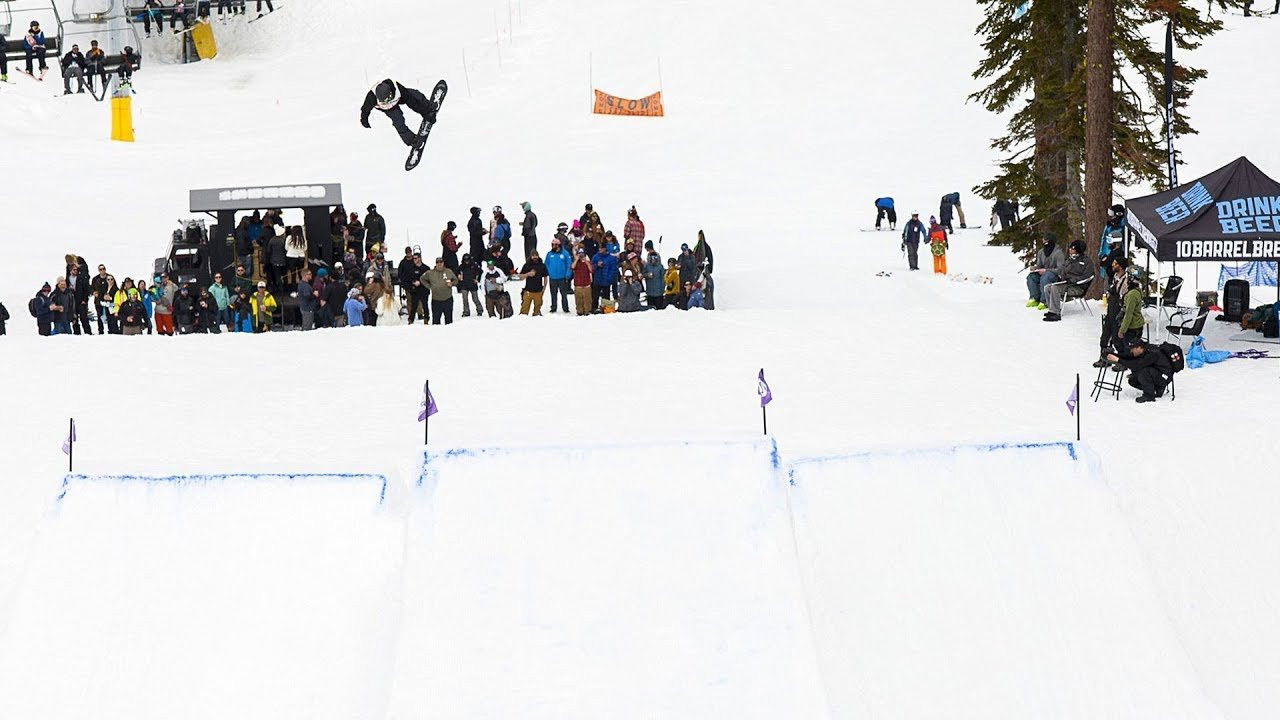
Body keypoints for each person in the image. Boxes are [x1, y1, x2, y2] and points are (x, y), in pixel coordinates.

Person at [360, 78, 439, 147]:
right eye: (383, 101)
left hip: (400, 98)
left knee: (415, 95)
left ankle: (428, 107)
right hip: (388, 109)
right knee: (398, 120)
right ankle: (411, 140)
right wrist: (364, 121)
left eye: (387, 100)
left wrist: (426, 113)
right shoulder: (371, 98)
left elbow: (412, 103)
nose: (386, 102)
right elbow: (365, 110)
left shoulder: (398, 88)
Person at [1042, 240, 1095, 322]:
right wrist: (1061, 276)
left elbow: (1087, 276)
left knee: (1054, 288)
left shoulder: (1086, 262)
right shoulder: (1069, 260)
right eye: (1070, 248)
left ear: (1078, 249)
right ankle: (1052, 309)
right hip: (1067, 284)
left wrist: (1074, 280)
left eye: (1072, 248)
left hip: (1078, 286)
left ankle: (1055, 313)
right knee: (1047, 287)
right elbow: (1062, 271)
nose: (1070, 250)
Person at [1106, 342, 1174, 403]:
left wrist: (1118, 360)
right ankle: (1157, 389)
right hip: (1156, 373)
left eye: (1133, 349)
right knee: (1133, 380)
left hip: (1165, 376)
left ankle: (1149, 395)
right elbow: (1128, 357)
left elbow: (1137, 365)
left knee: (1143, 372)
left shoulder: (1152, 353)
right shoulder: (1141, 351)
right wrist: (1114, 355)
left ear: (1139, 347)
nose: (1131, 351)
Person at [1025, 232, 1064, 309]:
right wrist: (1035, 268)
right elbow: (1039, 265)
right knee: (1031, 276)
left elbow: (1060, 269)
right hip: (1043, 273)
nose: (1044, 242)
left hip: (1055, 275)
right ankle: (1034, 298)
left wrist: (1046, 270)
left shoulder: (1058, 253)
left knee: (1046, 277)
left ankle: (1045, 301)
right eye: (1043, 241)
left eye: (1046, 241)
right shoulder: (1041, 252)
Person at [424, 257, 458, 324]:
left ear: (443, 263)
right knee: (436, 322)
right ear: (435, 264)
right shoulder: (430, 273)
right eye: (437, 262)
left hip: (447, 299)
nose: (439, 264)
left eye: (441, 262)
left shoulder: (448, 271)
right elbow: (422, 278)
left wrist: (452, 283)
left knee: (449, 322)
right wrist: (428, 286)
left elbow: (456, 280)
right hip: (436, 300)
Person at [64, 257, 93, 335]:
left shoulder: (81, 278)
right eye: (74, 269)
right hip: (73, 301)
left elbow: (86, 289)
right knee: (74, 318)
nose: (75, 271)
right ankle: (77, 333)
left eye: (76, 269)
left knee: (84, 318)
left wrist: (85, 300)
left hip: (81, 300)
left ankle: (88, 332)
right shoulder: (67, 279)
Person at [517, 250, 548, 316]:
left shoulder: (542, 265)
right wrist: (528, 274)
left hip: (538, 291)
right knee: (523, 312)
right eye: (533, 255)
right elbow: (520, 277)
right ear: (530, 256)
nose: (535, 257)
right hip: (528, 291)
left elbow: (545, 277)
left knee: (537, 312)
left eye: (536, 255)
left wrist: (544, 289)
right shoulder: (527, 265)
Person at [403, 252, 429, 324]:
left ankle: (426, 319)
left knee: (425, 305)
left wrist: (421, 283)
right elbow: (408, 279)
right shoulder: (411, 268)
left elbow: (429, 280)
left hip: (424, 290)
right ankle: (411, 320)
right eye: (413, 258)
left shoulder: (426, 268)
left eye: (415, 258)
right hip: (415, 290)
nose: (414, 260)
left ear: (419, 258)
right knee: (414, 305)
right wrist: (412, 283)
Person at [591, 244, 619, 312]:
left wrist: (609, 278)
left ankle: (605, 308)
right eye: (599, 248)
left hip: (606, 281)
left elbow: (613, 269)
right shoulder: (595, 257)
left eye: (602, 248)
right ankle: (594, 308)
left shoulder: (611, 258)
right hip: (597, 280)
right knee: (595, 296)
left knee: (606, 297)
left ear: (605, 249)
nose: (600, 250)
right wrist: (597, 265)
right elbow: (591, 268)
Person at [456, 253, 482, 318]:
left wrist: (477, 279)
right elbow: (456, 272)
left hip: (473, 284)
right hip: (464, 285)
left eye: (468, 260)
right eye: (465, 260)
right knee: (465, 299)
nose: (467, 261)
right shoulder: (461, 267)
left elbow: (480, 272)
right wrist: (458, 276)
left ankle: (480, 310)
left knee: (475, 299)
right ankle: (466, 312)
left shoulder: (474, 265)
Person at [90, 263, 112, 334]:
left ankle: (110, 330)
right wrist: (94, 292)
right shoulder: (95, 279)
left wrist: (110, 295)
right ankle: (101, 331)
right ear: (98, 270)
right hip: (98, 301)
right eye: (100, 269)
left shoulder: (110, 277)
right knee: (99, 316)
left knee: (109, 316)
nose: (102, 270)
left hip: (107, 301)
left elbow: (114, 287)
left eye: (103, 269)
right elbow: (91, 288)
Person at [570, 250, 594, 316]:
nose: (581, 256)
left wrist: (586, 261)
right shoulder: (576, 262)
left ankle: (587, 311)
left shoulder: (588, 262)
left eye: (582, 254)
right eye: (579, 254)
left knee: (587, 299)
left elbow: (591, 270)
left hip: (586, 284)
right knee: (578, 300)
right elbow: (572, 267)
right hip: (578, 285)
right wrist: (576, 259)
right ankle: (579, 311)